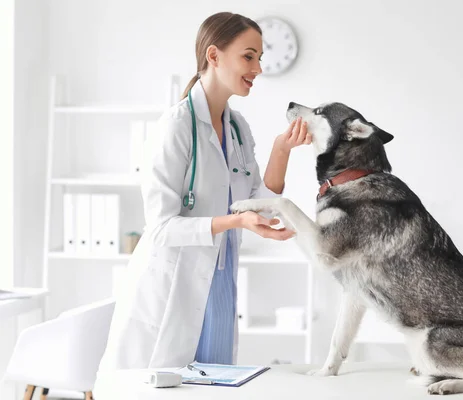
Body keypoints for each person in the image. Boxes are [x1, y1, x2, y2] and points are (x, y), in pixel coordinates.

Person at [98, 11, 311, 371]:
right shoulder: (176, 126)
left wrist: (281, 150)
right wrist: (235, 221)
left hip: (221, 281)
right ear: (214, 56)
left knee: (216, 386)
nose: (258, 68)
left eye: (259, 58)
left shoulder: (238, 128)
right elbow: (162, 227)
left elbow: (261, 203)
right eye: (249, 56)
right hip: (175, 285)